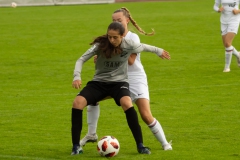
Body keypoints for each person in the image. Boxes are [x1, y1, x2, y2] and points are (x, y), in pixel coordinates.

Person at [79, 7, 172, 151]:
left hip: (135, 79)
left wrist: (115, 50)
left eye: (119, 20)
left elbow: (130, 61)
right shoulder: (112, 37)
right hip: (116, 79)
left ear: (127, 21)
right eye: (114, 21)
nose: (117, 23)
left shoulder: (132, 38)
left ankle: (165, 144)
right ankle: (92, 134)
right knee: (93, 99)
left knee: (146, 115)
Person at [213, 0, 240, 72]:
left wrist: (238, 11)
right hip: (223, 21)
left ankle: (227, 67)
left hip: (234, 20)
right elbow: (215, 6)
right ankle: (238, 55)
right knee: (226, 45)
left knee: (227, 43)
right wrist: (218, 10)